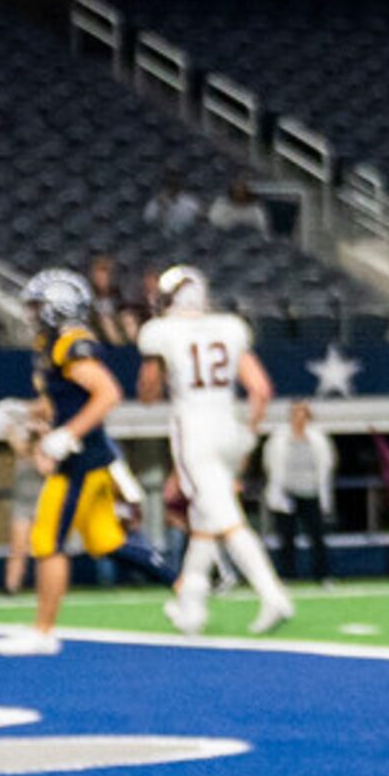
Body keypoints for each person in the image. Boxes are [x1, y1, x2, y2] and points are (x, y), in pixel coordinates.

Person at [8, 269, 175, 654]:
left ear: (57, 307)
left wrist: (69, 435)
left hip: (81, 461)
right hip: (87, 458)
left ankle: (44, 631)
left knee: (47, 540)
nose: (32, 314)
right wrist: (23, 413)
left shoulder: (71, 342)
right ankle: (185, 588)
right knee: (108, 541)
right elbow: (60, 405)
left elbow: (108, 392)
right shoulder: (50, 345)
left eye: (38, 306)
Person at [134, 264, 296, 635]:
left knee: (226, 519)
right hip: (229, 424)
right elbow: (261, 390)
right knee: (205, 522)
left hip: (194, 431)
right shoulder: (229, 327)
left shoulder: (160, 332)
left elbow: (148, 394)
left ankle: (272, 593)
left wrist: (151, 368)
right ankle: (191, 605)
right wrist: (250, 436)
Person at [264, 399, 336, 583]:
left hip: (311, 493)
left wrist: (322, 493)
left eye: (302, 412)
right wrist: (278, 491)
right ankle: (287, 574)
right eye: (295, 412)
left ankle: (323, 575)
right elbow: (270, 463)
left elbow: (327, 465)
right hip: (287, 494)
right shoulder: (279, 438)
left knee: (317, 536)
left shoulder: (318, 438)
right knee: (286, 537)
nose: (298, 416)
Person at [2, 396, 50, 597]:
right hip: (23, 501)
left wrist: (40, 441)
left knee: (44, 549)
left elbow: (45, 468)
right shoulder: (23, 433)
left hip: (44, 501)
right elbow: (17, 445)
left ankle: (47, 588)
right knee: (18, 548)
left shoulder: (51, 438)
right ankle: (11, 587)